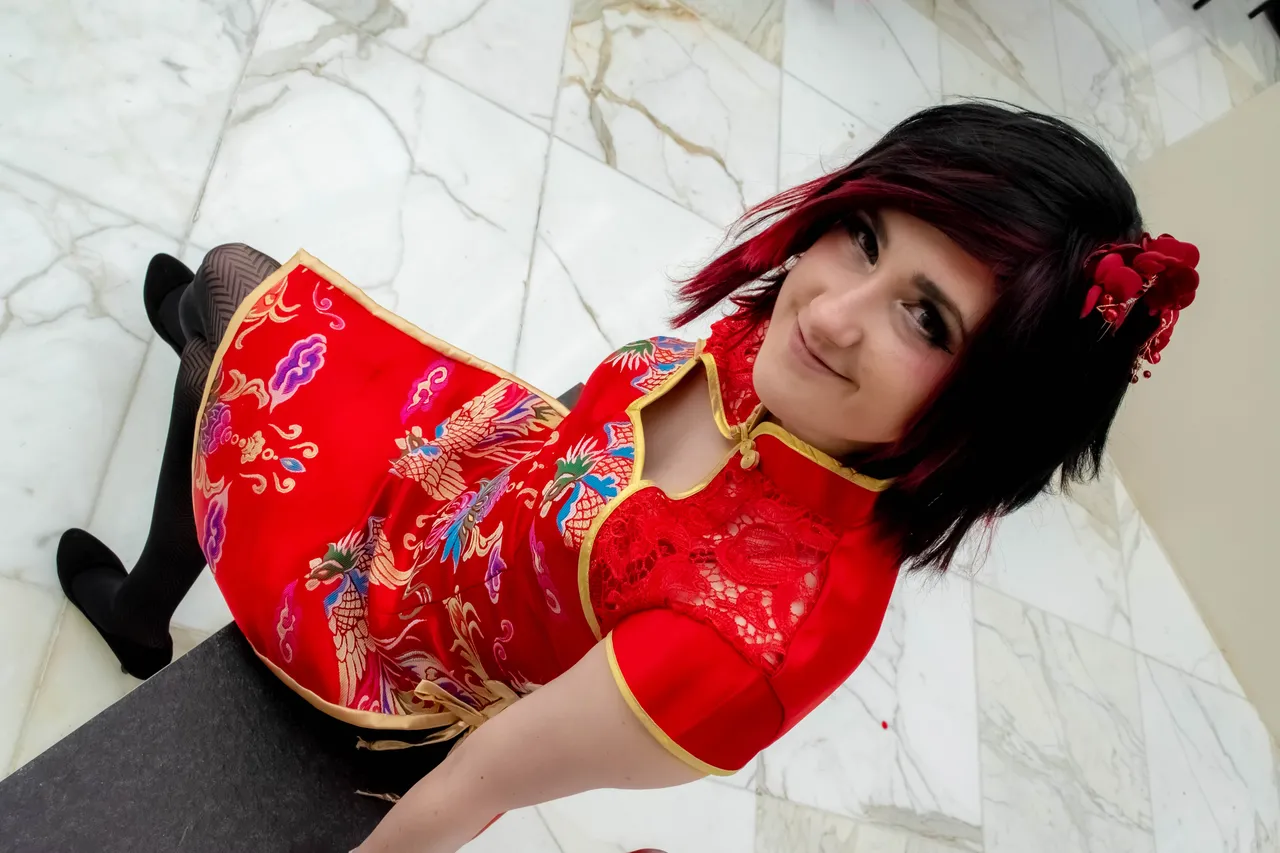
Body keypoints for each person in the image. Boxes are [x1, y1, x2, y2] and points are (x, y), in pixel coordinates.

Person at [55, 102, 1200, 852]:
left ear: (986, 418)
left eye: (924, 319)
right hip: (470, 476)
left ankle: (143, 604)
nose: (828, 312)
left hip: (397, 637)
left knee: (225, 327)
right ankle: (203, 345)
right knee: (231, 291)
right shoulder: (797, 366)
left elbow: (469, 790)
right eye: (861, 234)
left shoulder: (746, 643)